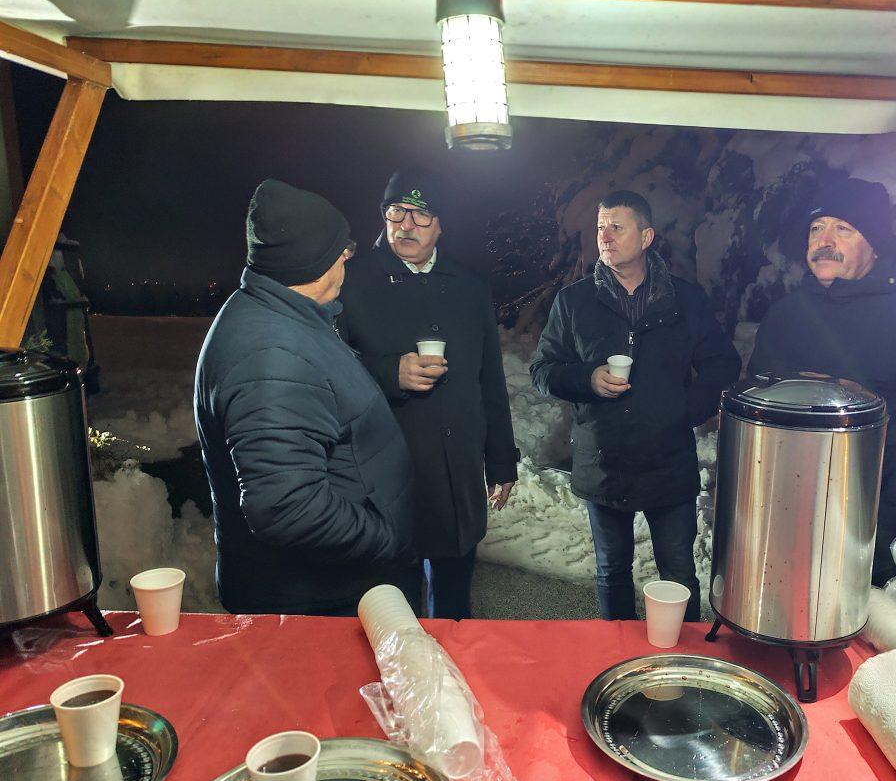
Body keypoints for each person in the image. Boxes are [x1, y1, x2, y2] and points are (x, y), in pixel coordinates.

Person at [195, 179, 417, 615]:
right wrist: (385, 538)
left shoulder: (284, 317)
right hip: (322, 598)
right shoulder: (270, 357)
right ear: (314, 261)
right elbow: (287, 509)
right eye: (342, 248)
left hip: (337, 586)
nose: (348, 256)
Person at [530, 190, 741, 621]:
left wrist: (685, 410)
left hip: (668, 460)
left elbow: (723, 362)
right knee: (612, 571)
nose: (605, 236)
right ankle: (618, 654)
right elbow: (543, 369)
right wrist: (587, 379)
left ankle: (679, 656)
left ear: (646, 237)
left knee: (678, 573)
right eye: (600, 227)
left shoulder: (684, 300)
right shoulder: (574, 302)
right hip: (603, 460)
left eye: (617, 227)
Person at [748, 177, 896, 585]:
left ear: (875, 245)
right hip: (776, 526)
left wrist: (877, 530)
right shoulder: (785, 316)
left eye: (843, 228)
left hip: (866, 534)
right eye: (816, 228)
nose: (824, 241)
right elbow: (755, 414)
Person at [338, 168, 519, 619]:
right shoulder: (350, 281)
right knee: (389, 611)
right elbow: (325, 368)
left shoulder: (470, 287)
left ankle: (452, 660)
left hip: (456, 473)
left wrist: (501, 459)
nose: (406, 225)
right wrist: (387, 373)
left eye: (421, 215)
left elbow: (489, 380)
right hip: (383, 476)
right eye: (396, 212)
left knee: (454, 608)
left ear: (441, 224)